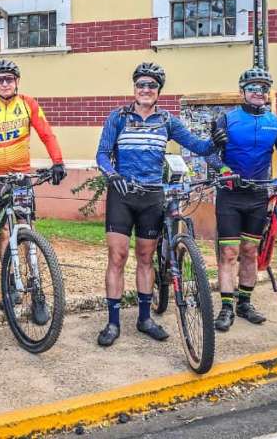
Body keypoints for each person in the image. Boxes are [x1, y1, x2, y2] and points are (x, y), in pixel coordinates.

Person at [94, 62, 226, 347]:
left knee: (145, 257)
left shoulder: (167, 120)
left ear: (158, 91)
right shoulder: (118, 117)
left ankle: (144, 318)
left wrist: (216, 141)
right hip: (122, 193)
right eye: (141, 84)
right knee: (116, 258)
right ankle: (113, 322)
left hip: (153, 196)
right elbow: (102, 154)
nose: (145, 89)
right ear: (134, 88)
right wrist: (112, 174)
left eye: (151, 85)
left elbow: (199, 147)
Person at [207, 67, 277, 332]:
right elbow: (210, 155)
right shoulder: (227, 119)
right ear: (242, 92)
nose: (258, 93)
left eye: (263, 88)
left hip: (258, 194)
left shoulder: (275, 122)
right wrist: (224, 171)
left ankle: (244, 304)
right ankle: (226, 307)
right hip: (230, 194)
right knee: (228, 252)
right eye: (253, 88)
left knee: (250, 251)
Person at [0, 58, 66, 260]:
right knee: (2, 229)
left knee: (26, 223)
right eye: (0, 80)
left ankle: (33, 275)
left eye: (9, 79)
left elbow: (47, 134)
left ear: (17, 81)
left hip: (20, 176)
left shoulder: (28, 104)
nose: (5, 84)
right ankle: (8, 277)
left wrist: (57, 162)